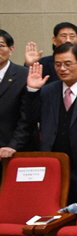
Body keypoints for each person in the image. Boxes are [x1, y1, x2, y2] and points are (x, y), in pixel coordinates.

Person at [23, 43, 77, 204]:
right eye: (58, 64)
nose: (62, 69)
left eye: (68, 64)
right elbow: (31, 120)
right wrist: (32, 91)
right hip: (54, 165)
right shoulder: (48, 91)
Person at [29, 22, 77, 86]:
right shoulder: (43, 64)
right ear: (54, 40)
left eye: (72, 36)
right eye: (64, 36)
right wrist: (29, 64)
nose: (68, 40)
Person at [0, 30, 32, 160]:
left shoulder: (24, 75)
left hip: (15, 150)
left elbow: (27, 117)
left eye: (1, 46)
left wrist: (13, 145)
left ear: (11, 49)